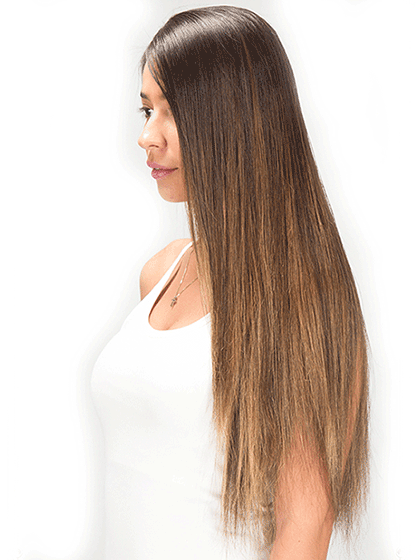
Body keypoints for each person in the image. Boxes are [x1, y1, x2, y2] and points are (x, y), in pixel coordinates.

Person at [91, 6, 370, 559]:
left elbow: (305, 527)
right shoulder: (160, 274)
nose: (146, 136)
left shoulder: (302, 298)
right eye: (146, 109)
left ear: (233, 119)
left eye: (173, 112)